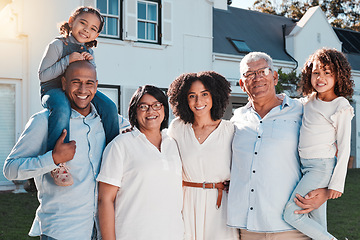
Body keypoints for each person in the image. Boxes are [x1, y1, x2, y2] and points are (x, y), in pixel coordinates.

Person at [3, 60, 129, 240]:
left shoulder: (109, 121)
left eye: (89, 83)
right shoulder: (43, 121)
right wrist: (52, 159)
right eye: (76, 82)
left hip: (103, 229)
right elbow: (10, 169)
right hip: (62, 232)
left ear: (96, 86)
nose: (83, 90)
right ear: (63, 83)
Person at [228, 51, 329, 240]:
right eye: (250, 74)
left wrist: (326, 191)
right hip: (249, 228)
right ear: (242, 85)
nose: (257, 78)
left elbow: (328, 155)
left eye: (263, 71)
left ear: (275, 77)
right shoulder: (237, 120)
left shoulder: (302, 112)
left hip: (292, 226)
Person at [38, 6, 119, 186]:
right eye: (83, 23)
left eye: (93, 28)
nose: (86, 30)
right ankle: (58, 163)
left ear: (96, 35)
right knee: (61, 107)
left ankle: (114, 154)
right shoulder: (57, 44)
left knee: (109, 107)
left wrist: (89, 64)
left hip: (78, 90)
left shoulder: (89, 52)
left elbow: (90, 79)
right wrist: (68, 60)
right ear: (71, 21)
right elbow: (43, 75)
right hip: (54, 89)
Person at [283, 48, 354, 240]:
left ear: (338, 76)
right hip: (304, 166)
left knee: (292, 213)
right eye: (316, 73)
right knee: (317, 224)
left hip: (321, 168)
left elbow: (345, 147)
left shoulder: (340, 106)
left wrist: (336, 184)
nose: (320, 78)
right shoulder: (310, 101)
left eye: (327, 73)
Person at [97, 85, 184, 240]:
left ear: (164, 110)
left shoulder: (173, 143)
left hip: (173, 234)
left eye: (157, 105)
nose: (151, 111)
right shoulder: (120, 145)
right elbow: (105, 200)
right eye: (143, 106)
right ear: (134, 112)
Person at [167, 71, 239, 240]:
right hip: (186, 201)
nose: (198, 101)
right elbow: (161, 151)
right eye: (192, 96)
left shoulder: (230, 130)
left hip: (220, 205)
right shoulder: (178, 127)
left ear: (215, 96)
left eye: (204, 94)